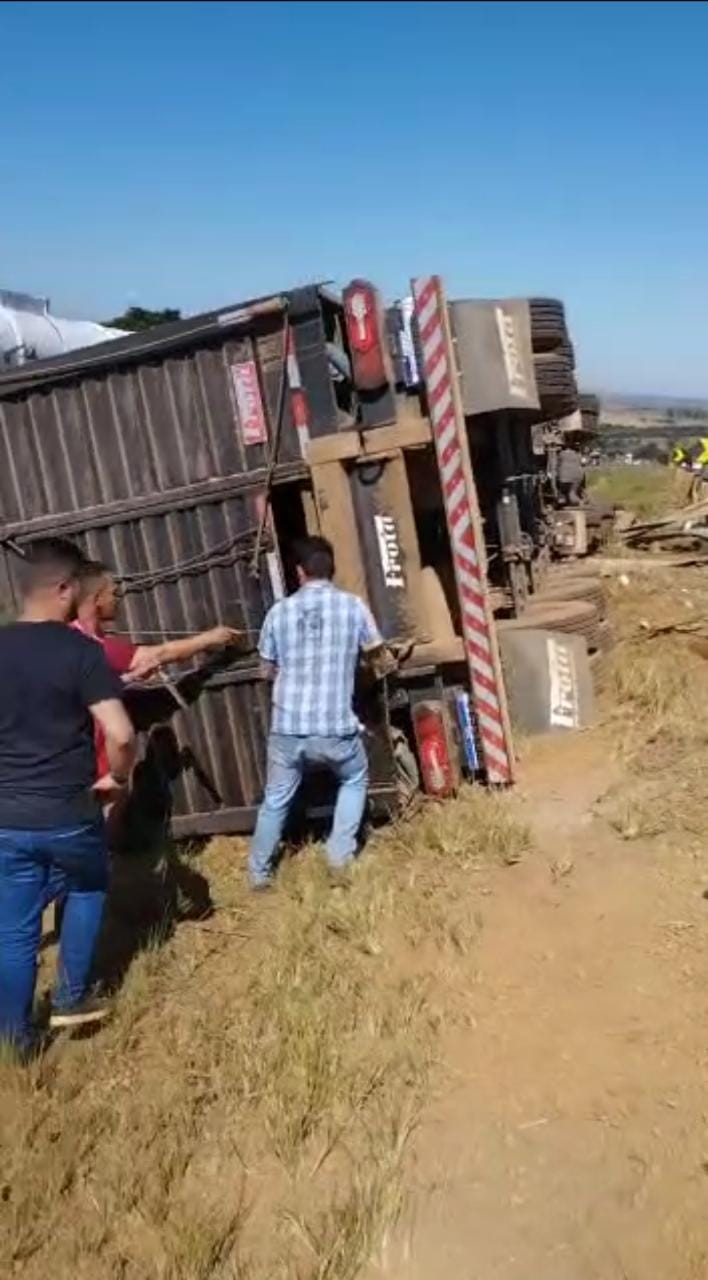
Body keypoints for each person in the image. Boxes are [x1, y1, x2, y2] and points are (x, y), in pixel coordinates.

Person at [0, 539, 136, 1049]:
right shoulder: (80, 652)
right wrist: (118, 779)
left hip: (6, 817)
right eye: (76, 587)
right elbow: (120, 734)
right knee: (88, 883)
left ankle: (14, 1040)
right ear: (61, 588)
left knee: (13, 930)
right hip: (67, 810)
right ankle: (70, 1000)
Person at [248, 535, 383, 889]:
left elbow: (265, 671)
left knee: (275, 799)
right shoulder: (353, 607)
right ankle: (338, 859)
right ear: (331, 569)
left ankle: (259, 875)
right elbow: (377, 655)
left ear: (298, 572)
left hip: (287, 729)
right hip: (335, 729)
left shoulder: (278, 612)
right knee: (354, 779)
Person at [72, 559, 241, 786]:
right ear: (97, 600)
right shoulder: (95, 647)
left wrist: (130, 678)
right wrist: (209, 638)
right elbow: (161, 654)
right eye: (113, 593)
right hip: (92, 764)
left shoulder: (70, 638)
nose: (118, 598)